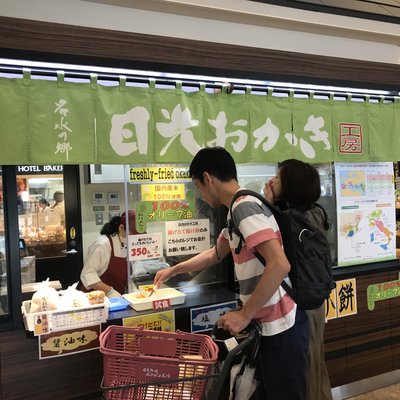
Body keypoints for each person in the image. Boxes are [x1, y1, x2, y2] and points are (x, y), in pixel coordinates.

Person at [154, 147, 309, 400]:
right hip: (269, 327)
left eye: (198, 187)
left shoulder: (243, 206)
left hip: (281, 327)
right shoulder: (235, 210)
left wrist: (244, 315)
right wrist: (174, 269)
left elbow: (279, 264)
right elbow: (215, 254)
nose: (201, 195)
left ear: (208, 178)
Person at [263, 158, 333, 400]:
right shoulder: (316, 213)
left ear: (291, 187)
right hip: (315, 299)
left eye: (279, 178)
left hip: (299, 304)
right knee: (314, 359)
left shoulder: (288, 218)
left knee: (305, 364)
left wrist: (268, 204)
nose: (272, 180)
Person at [80, 210, 139, 298]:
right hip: (96, 300)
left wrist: (133, 290)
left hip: (117, 301)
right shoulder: (102, 244)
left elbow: (124, 275)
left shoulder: (126, 245)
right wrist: (110, 291)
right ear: (121, 228)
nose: (134, 239)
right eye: (132, 234)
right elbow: (88, 274)